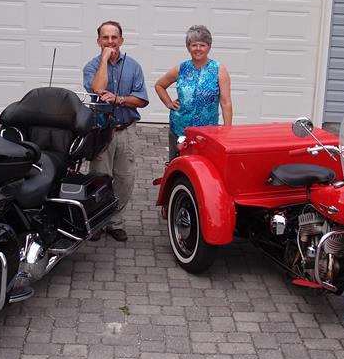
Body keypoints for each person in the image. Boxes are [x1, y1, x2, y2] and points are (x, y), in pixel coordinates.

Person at [82, 21, 149, 242]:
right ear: (98, 41)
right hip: (101, 130)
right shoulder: (91, 66)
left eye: (114, 37)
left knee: (125, 179)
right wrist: (104, 60)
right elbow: (98, 89)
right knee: (99, 178)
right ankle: (97, 221)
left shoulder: (134, 67)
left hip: (126, 130)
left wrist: (120, 99)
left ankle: (115, 221)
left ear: (121, 39)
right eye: (105, 38)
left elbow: (141, 100)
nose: (110, 42)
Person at [154, 25, 232, 160]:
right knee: (178, 164)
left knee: (204, 167)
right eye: (194, 45)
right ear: (188, 47)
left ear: (209, 47)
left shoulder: (219, 69)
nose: (198, 49)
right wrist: (169, 103)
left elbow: (226, 103)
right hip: (180, 129)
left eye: (202, 45)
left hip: (206, 133)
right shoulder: (181, 68)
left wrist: (227, 130)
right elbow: (159, 85)